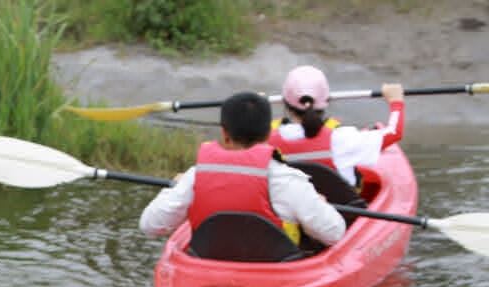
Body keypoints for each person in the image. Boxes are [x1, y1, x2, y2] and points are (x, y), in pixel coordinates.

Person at [139, 90, 346, 251]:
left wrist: (177, 186)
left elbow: (149, 225)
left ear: (224, 133)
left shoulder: (196, 176)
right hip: (273, 272)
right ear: (268, 134)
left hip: (209, 269)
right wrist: (319, 203)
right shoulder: (288, 180)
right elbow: (335, 233)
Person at [270, 65, 405, 186]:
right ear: (326, 101)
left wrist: (253, 108)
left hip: (288, 211)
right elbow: (394, 132)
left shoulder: (265, 139)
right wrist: (396, 101)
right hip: (340, 212)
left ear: (286, 104)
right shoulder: (342, 138)